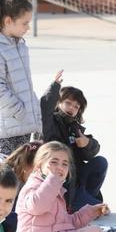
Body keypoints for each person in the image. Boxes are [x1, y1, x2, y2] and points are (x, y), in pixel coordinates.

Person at [0, 0, 41, 156]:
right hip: (9, 126)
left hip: (23, 124)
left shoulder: (19, 44)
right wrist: (18, 110)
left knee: (23, 176)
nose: (28, 28)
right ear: (8, 21)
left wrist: (34, 113)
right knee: (9, 175)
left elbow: (24, 85)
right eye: (25, 23)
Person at [41, 70, 109, 211]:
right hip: (62, 181)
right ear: (58, 103)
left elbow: (92, 151)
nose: (72, 108)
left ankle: (85, 199)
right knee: (100, 209)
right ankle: (79, 204)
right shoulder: (49, 122)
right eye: (68, 103)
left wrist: (86, 143)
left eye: (76, 107)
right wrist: (54, 87)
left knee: (100, 162)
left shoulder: (74, 127)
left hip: (77, 181)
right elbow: (45, 107)